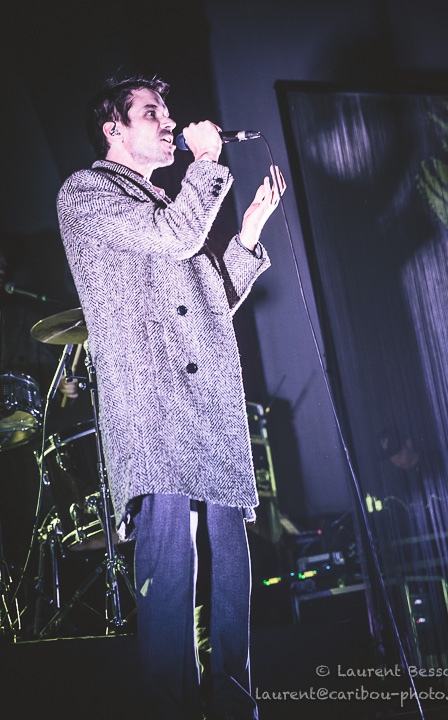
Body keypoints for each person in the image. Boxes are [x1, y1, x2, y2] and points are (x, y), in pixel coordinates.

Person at [56, 75, 285, 719]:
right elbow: (175, 237)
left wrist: (248, 235)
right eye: (152, 113)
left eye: (168, 112)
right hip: (156, 416)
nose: (169, 124)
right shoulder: (87, 193)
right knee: (171, 584)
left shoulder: (166, 202)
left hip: (210, 412)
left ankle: (237, 707)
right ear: (114, 129)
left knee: (229, 578)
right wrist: (207, 162)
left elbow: (211, 302)